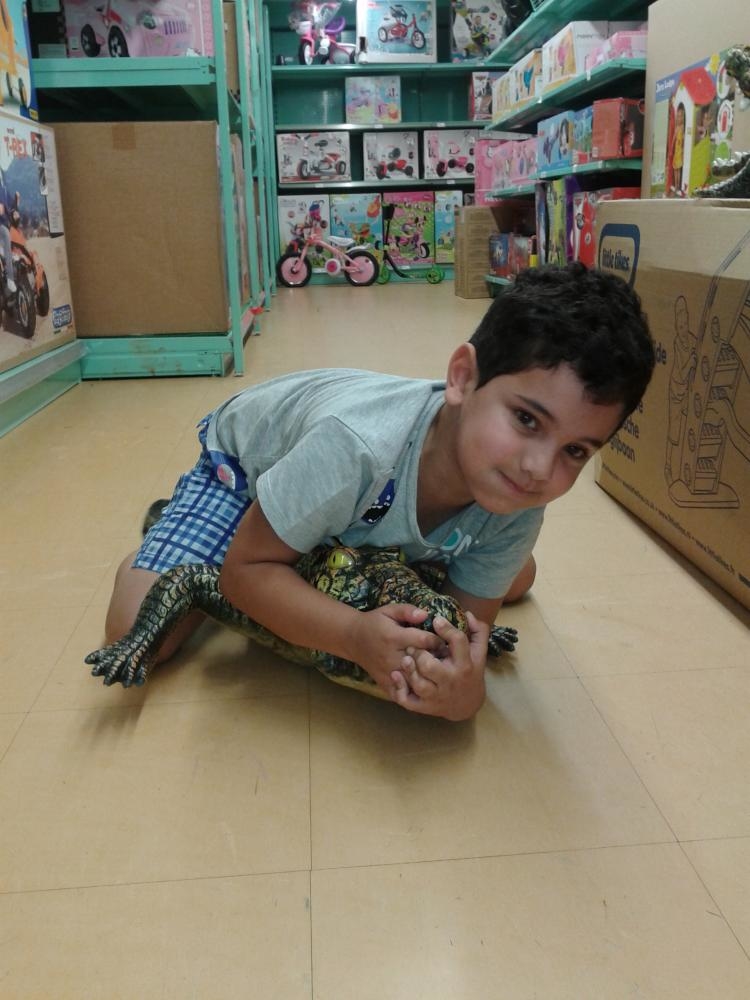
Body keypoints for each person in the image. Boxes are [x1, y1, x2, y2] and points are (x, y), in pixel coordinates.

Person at [104, 264, 655, 721]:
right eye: (527, 419)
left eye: (576, 450)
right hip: (249, 466)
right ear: (463, 377)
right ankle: (174, 530)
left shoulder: (517, 499)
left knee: (518, 576)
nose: (538, 469)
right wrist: (351, 634)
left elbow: (461, 637)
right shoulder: (354, 447)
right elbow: (243, 575)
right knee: (138, 630)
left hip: (352, 503)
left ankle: (321, 532)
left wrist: (465, 696)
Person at [0, 169, 17, 296]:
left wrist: (15, 208)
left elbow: (11, 205)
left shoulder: (3, 188)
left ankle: (10, 258)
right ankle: (10, 278)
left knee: (14, 236)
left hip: (5, 223)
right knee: (6, 234)